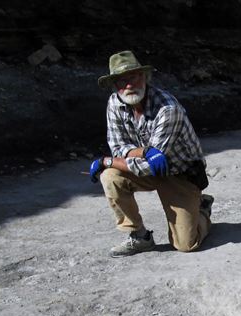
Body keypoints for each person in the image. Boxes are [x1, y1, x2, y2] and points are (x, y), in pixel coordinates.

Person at [90, 50, 212, 257]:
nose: (128, 84)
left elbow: (144, 165)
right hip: (149, 167)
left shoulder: (168, 108)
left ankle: (202, 209)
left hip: (180, 174)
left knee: (185, 245)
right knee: (110, 176)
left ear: (145, 77)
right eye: (120, 80)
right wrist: (146, 151)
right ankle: (139, 237)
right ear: (114, 85)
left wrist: (107, 161)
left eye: (133, 77)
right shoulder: (114, 103)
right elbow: (118, 147)